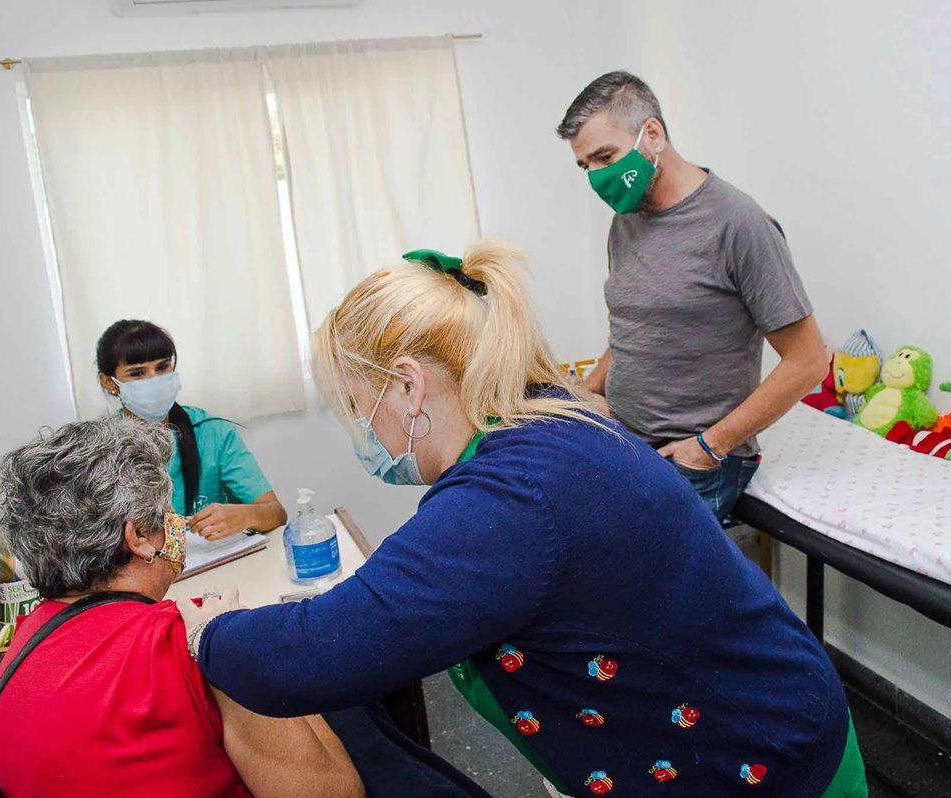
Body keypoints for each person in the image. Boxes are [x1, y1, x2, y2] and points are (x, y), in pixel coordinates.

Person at [179, 242, 867, 797]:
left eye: (357, 404)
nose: (359, 427)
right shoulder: (547, 419)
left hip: (756, 763)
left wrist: (202, 632)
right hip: (758, 713)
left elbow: (317, 654)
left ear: (411, 384)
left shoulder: (510, 501)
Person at [0, 417, 491, 798]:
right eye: (169, 517)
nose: (178, 527)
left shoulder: (15, 657)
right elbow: (334, 792)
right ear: (140, 537)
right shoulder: (185, 643)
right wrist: (237, 642)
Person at [557, 72, 827, 523]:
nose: (599, 177)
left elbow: (809, 360)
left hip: (690, 462)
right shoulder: (625, 221)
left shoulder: (739, 224)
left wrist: (709, 447)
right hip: (624, 441)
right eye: (586, 166)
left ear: (653, 134)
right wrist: (584, 396)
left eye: (605, 157)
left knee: (654, 593)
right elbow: (636, 327)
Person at [97, 319, 286, 540]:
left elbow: (277, 514)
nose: (154, 380)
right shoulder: (98, 451)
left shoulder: (211, 431)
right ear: (109, 383)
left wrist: (247, 516)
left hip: (212, 561)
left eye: (162, 367)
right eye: (137, 373)